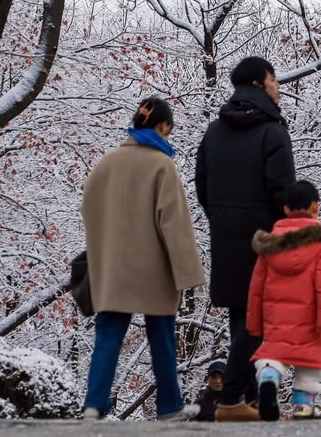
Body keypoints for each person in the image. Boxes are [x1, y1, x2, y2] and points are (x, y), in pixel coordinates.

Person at [80, 97, 206, 421]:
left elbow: (88, 208)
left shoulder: (107, 162)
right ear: (163, 127)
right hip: (153, 270)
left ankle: (93, 405)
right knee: (162, 338)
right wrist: (188, 274)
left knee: (107, 337)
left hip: (113, 268)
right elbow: (174, 223)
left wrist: (102, 250)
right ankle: (169, 406)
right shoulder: (161, 165)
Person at [195, 56, 296, 421]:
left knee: (242, 315)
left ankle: (250, 400)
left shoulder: (213, 131)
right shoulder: (272, 131)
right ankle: (234, 396)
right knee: (262, 319)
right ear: (258, 83)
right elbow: (283, 191)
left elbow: (201, 185)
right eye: (274, 79)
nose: (278, 86)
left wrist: (222, 218)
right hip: (265, 238)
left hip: (225, 234)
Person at [248, 180, 321, 420]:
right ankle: (302, 406)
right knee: (309, 363)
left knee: (274, 354)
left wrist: (254, 325)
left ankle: (268, 377)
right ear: (316, 206)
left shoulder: (269, 245)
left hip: (276, 319)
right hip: (310, 320)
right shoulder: (320, 244)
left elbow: (256, 287)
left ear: (286, 209)